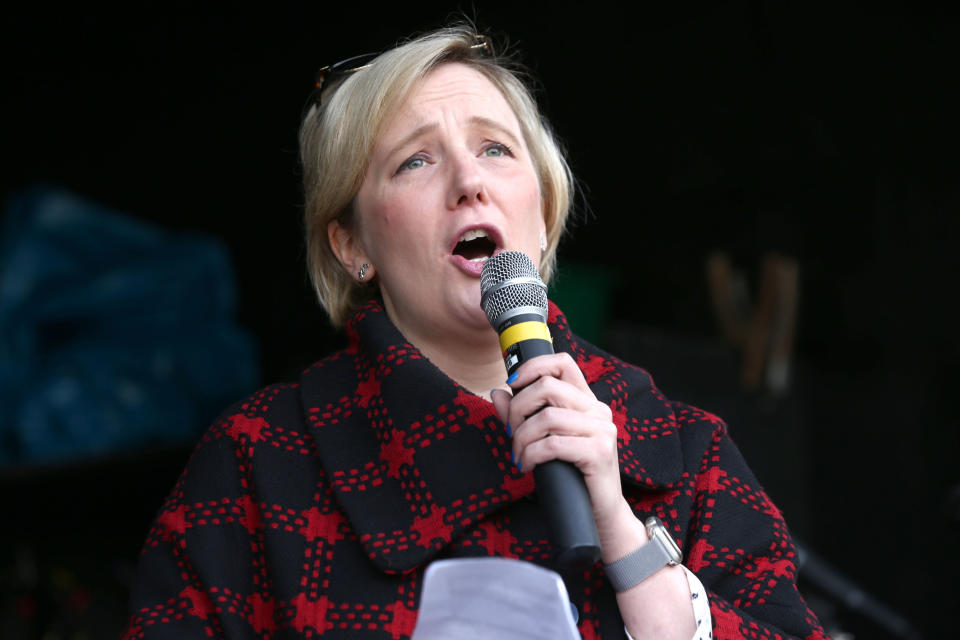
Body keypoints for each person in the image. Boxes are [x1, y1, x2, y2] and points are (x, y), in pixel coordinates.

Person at [122, 25, 828, 640]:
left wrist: (625, 537)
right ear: (352, 246)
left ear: (543, 212)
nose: (468, 181)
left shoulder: (682, 448)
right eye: (415, 161)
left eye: (495, 149)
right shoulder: (261, 462)